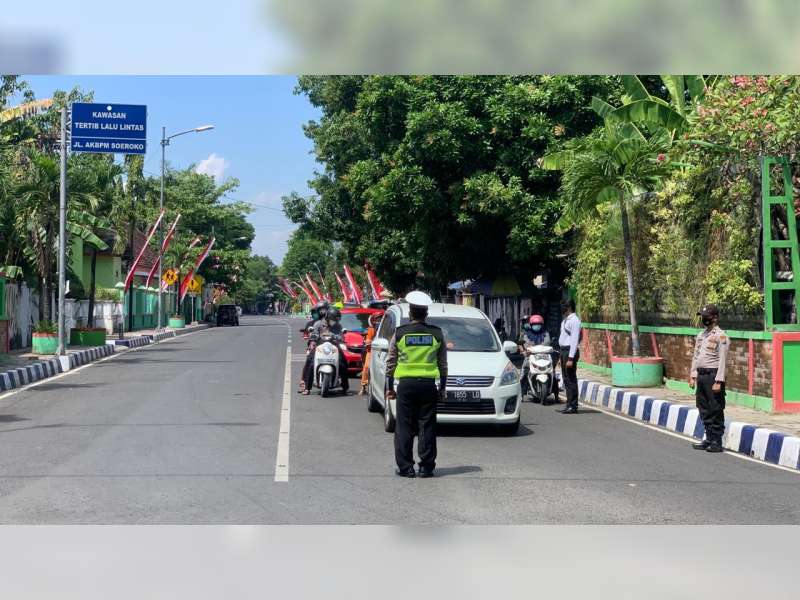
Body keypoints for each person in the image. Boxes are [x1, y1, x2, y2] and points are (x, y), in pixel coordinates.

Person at [385, 291, 447, 478]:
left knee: (404, 426)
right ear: (426, 313)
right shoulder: (437, 334)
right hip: (428, 385)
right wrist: (442, 388)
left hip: (406, 385)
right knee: (426, 426)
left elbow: (391, 362)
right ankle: (426, 467)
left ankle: (406, 468)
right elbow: (442, 364)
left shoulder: (400, 333)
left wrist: (389, 387)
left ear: (410, 313)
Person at [689, 304, 730, 453]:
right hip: (702, 375)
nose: (704, 319)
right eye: (703, 317)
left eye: (707, 317)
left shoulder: (721, 336)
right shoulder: (701, 335)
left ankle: (716, 441)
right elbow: (696, 356)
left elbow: (722, 361)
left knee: (715, 408)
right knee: (703, 408)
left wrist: (719, 381)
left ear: (715, 318)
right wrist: (693, 375)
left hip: (713, 376)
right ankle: (709, 437)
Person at [518, 315, 559, 403]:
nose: (537, 326)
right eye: (535, 324)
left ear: (542, 325)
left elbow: (548, 343)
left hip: (544, 356)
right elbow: (520, 344)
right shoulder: (526, 334)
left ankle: (556, 393)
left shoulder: (546, 333)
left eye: (539, 324)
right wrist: (524, 352)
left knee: (552, 372)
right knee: (524, 372)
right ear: (531, 325)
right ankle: (521, 393)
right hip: (530, 356)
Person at [299, 301, 329, 393]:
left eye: (324, 310)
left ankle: (345, 387)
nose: (322, 312)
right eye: (321, 310)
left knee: (342, 361)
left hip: (330, 347)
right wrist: (312, 341)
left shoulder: (333, 322)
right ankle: (305, 385)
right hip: (317, 346)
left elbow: (339, 331)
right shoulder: (314, 323)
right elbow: (310, 335)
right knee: (310, 362)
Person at [557, 299, 581, 414]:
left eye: (564, 306)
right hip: (563, 351)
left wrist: (571, 358)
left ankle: (573, 405)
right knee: (566, 379)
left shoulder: (574, 320)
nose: (562, 308)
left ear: (569, 307)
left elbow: (574, 340)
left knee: (571, 379)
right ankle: (569, 404)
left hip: (569, 352)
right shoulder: (565, 320)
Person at [359, 312, 383, 395]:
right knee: (366, 367)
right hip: (371, 351)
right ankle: (364, 385)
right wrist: (369, 342)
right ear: (373, 320)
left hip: (382, 350)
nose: (379, 321)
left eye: (380, 319)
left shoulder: (385, 329)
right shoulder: (371, 329)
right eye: (377, 319)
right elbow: (368, 341)